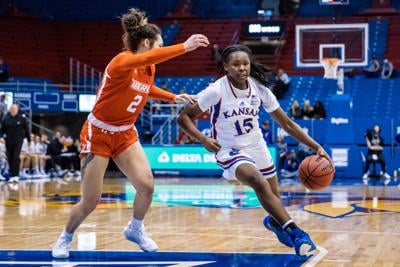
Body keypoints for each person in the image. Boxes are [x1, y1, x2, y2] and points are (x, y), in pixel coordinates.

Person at [52, 8, 209, 258]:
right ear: (147, 43)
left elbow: (145, 88)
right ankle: (65, 238)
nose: (161, 50)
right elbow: (140, 64)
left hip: (125, 133)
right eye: (159, 46)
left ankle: (135, 229)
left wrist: (172, 96)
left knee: (146, 186)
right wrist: (185, 47)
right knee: (91, 201)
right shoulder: (121, 61)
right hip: (99, 133)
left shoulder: (149, 69)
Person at [177, 44, 333, 257]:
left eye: (245, 64)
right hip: (229, 149)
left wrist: (316, 146)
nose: (242, 68)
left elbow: (287, 124)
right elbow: (183, 117)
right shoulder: (216, 90)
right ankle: (298, 233)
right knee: (259, 182)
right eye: (236, 64)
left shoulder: (260, 89)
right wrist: (203, 139)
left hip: (257, 145)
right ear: (226, 67)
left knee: (274, 200)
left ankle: (275, 222)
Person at [0, 104, 30, 183]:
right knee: (10, 158)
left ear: (17, 109)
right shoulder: (6, 119)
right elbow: (2, 130)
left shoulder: (22, 118)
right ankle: (12, 175)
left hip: (18, 141)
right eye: (12, 108)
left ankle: (16, 175)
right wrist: (1, 137)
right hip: (8, 141)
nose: (13, 110)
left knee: (16, 157)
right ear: (10, 110)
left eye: (15, 108)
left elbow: (27, 130)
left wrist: (29, 140)